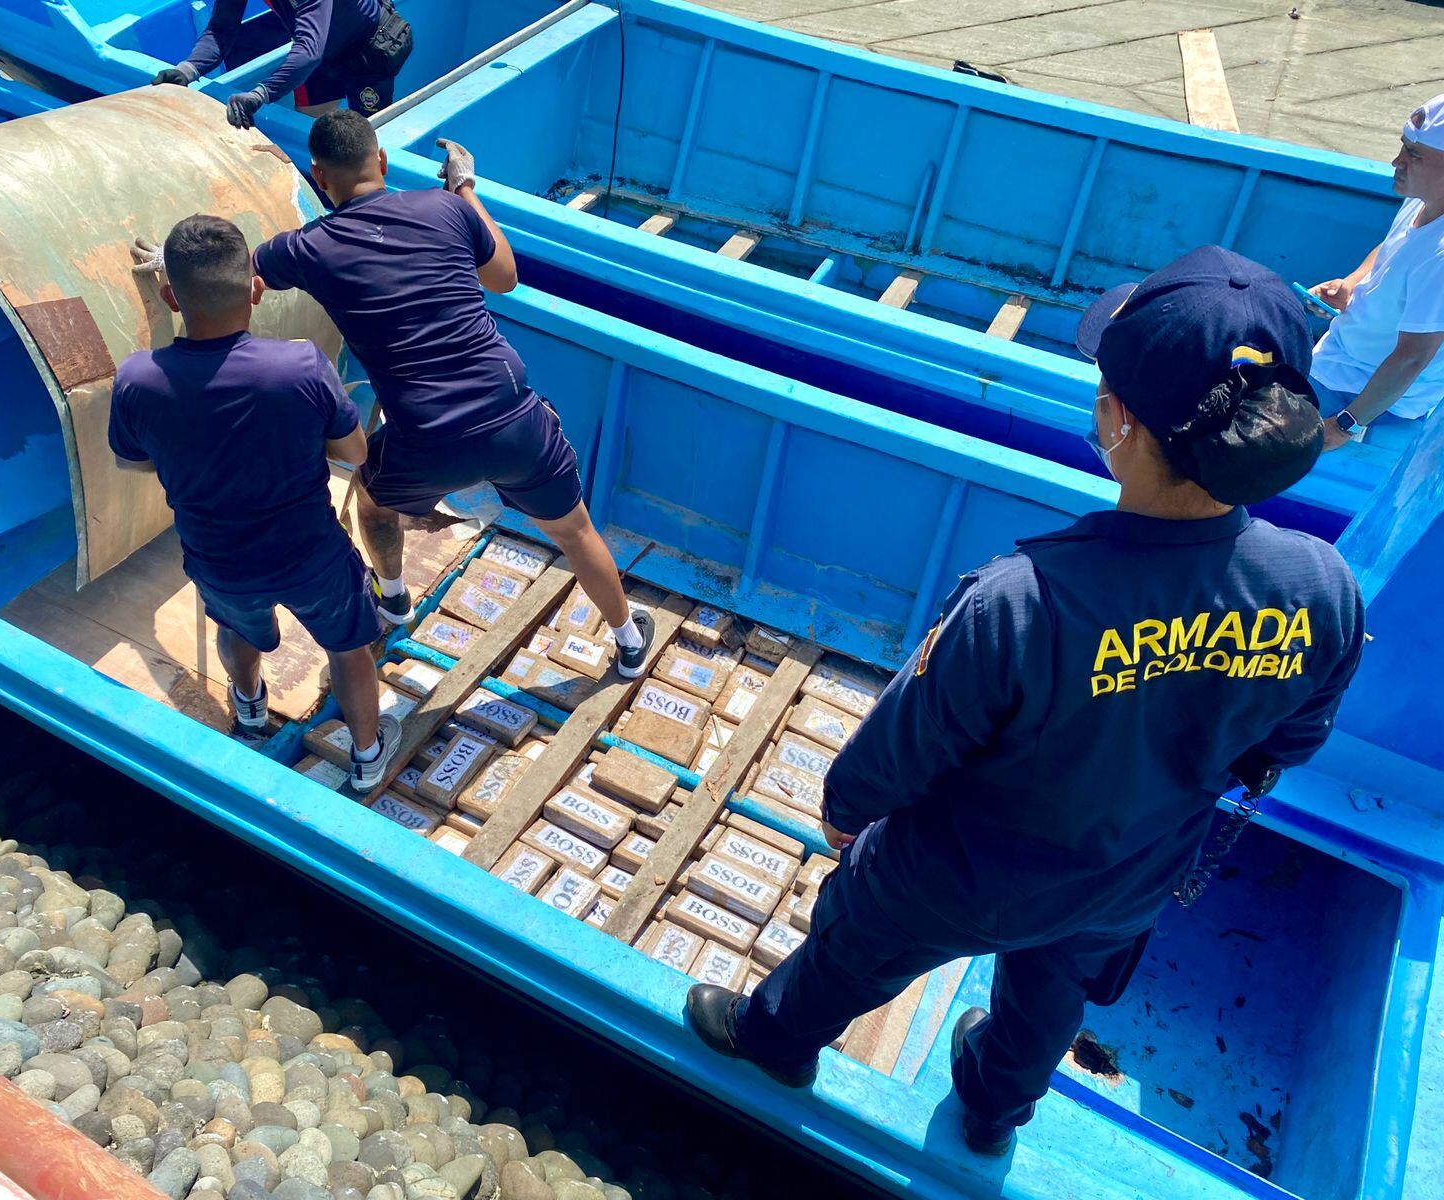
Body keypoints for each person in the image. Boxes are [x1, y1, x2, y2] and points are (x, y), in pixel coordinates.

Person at [686, 247, 1366, 1156]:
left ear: (1118, 421)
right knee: (1050, 1003)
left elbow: (900, 749)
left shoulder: (1023, 597)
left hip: (954, 876)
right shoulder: (1323, 585)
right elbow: (1288, 743)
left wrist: (846, 814)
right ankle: (994, 1112)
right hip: (1125, 880)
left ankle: (775, 1042)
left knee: (854, 951)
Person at [244, 110, 655, 674]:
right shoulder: (445, 208)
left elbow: (236, 276)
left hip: (427, 437)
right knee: (575, 530)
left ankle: (393, 601)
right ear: (382, 161)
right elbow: (504, 278)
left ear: (319, 177)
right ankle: (629, 642)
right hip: (513, 413)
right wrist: (465, 188)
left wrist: (170, 268)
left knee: (374, 501)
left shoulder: (310, 247)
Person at [111, 214, 401, 790]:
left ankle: (248, 708)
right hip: (310, 556)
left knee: (238, 631)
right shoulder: (298, 366)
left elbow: (136, 462)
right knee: (349, 649)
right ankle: (367, 756)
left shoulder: (137, 380)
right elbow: (353, 453)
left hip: (218, 559)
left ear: (170, 296)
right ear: (256, 288)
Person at [1305, 92, 1444, 452]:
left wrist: (1345, 424)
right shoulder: (1423, 197)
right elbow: (1390, 248)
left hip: (1361, 394)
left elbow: (1412, 357)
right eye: (1403, 147)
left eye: (1414, 156)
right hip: (1337, 356)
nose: (1397, 161)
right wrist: (1349, 286)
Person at [150, 0, 411, 129]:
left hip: (367, 50)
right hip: (319, 51)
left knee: (367, 136)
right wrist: (187, 69)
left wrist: (260, 94)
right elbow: (221, 29)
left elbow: (309, 51)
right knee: (311, 135)